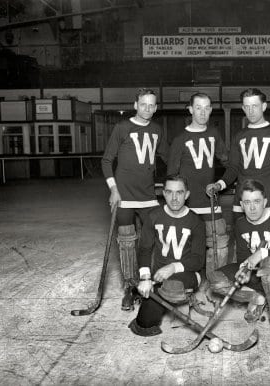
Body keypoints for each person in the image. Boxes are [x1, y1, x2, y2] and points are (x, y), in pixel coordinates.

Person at [101, 88, 168, 311]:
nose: (147, 109)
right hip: (125, 197)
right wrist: (114, 189)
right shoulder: (122, 128)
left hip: (148, 197)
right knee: (127, 242)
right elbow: (106, 160)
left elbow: (168, 157)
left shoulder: (157, 129)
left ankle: (150, 283)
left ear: (156, 108)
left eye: (152, 105)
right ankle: (130, 288)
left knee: (151, 241)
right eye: (143, 104)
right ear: (135, 105)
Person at [210, 179, 270, 337]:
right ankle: (260, 298)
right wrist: (245, 268)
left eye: (256, 201)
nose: (252, 207)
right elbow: (244, 256)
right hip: (257, 274)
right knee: (216, 279)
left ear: (264, 202)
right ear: (241, 205)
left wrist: (262, 253)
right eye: (247, 202)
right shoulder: (240, 224)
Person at [128, 174, 206, 336]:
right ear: (163, 193)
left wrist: (172, 267)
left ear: (187, 195)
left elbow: (198, 260)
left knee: (171, 287)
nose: (174, 198)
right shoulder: (153, 216)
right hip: (159, 275)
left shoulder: (196, 221)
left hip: (188, 273)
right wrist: (144, 277)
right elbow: (144, 249)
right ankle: (145, 292)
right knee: (145, 324)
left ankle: (156, 293)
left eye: (179, 192)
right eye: (169, 192)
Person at [167, 93, 229, 282]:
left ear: (211, 110)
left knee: (220, 243)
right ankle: (185, 282)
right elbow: (172, 174)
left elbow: (228, 161)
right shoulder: (180, 138)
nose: (203, 112)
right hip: (188, 203)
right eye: (198, 107)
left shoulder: (214, 134)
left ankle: (216, 284)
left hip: (210, 199)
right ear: (191, 109)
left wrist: (222, 182)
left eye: (207, 107)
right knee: (184, 244)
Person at [206, 88, 270, 216]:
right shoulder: (239, 136)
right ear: (243, 108)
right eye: (247, 107)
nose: (251, 111)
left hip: (269, 201)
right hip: (242, 202)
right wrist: (219, 185)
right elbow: (233, 168)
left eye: (255, 106)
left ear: (264, 106)